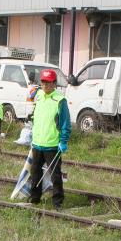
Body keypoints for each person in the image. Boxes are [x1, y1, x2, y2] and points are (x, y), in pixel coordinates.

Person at [28, 69, 70, 208]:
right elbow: (35, 115)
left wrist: (63, 141)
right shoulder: (38, 96)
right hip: (37, 143)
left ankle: (57, 201)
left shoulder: (60, 100)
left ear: (54, 83)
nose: (45, 85)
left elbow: (65, 123)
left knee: (55, 175)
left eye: (48, 82)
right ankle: (35, 198)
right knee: (35, 172)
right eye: (43, 82)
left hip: (52, 144)